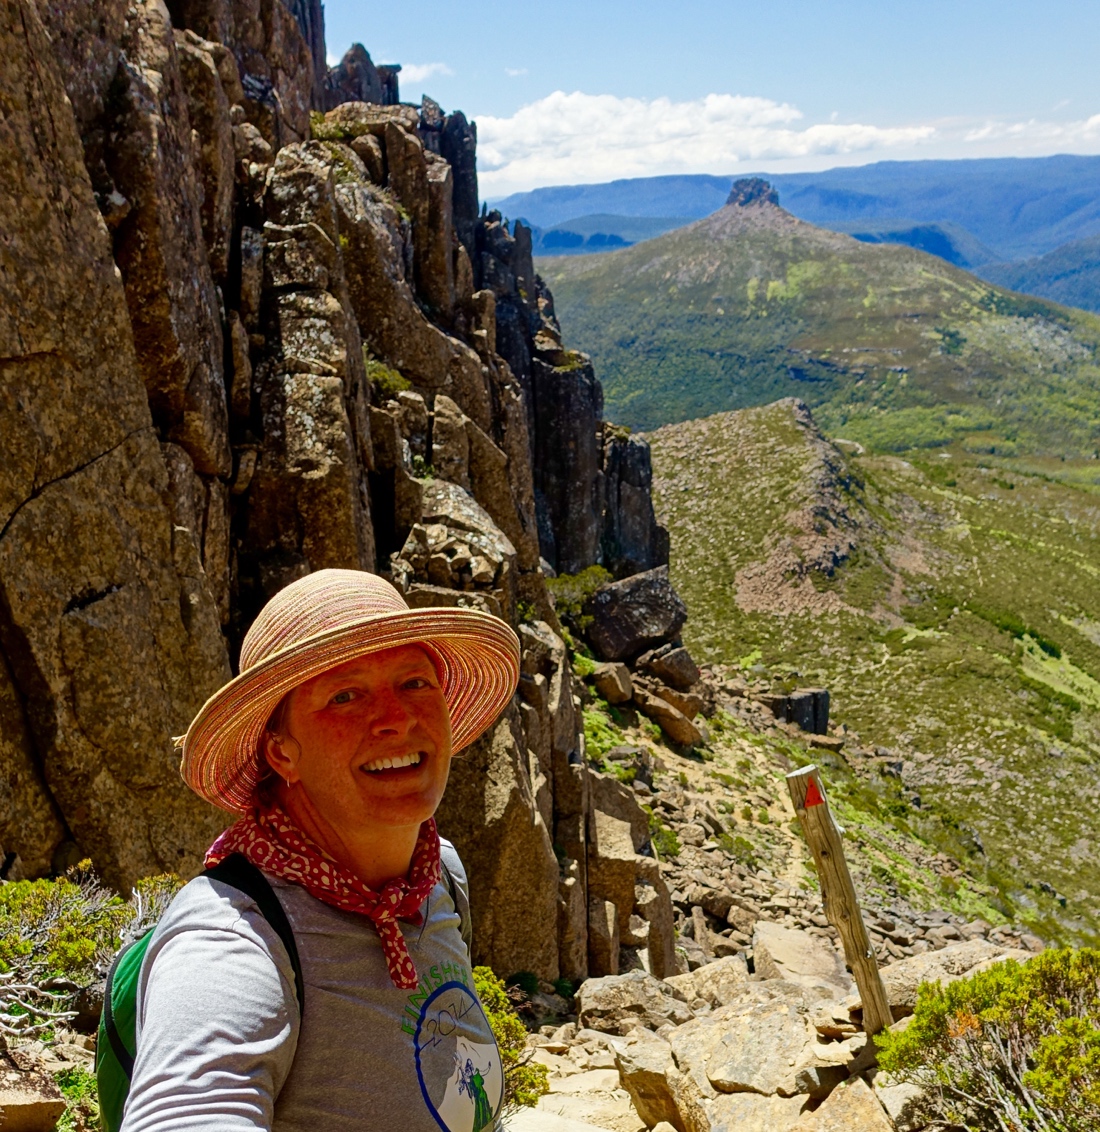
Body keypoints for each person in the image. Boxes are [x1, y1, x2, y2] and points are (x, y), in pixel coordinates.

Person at [120, 568, 521, 1132]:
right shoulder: (232, 941)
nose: (396, 718)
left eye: (414, 683)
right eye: (345, 695)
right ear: (283, 753)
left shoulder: (436, 877)